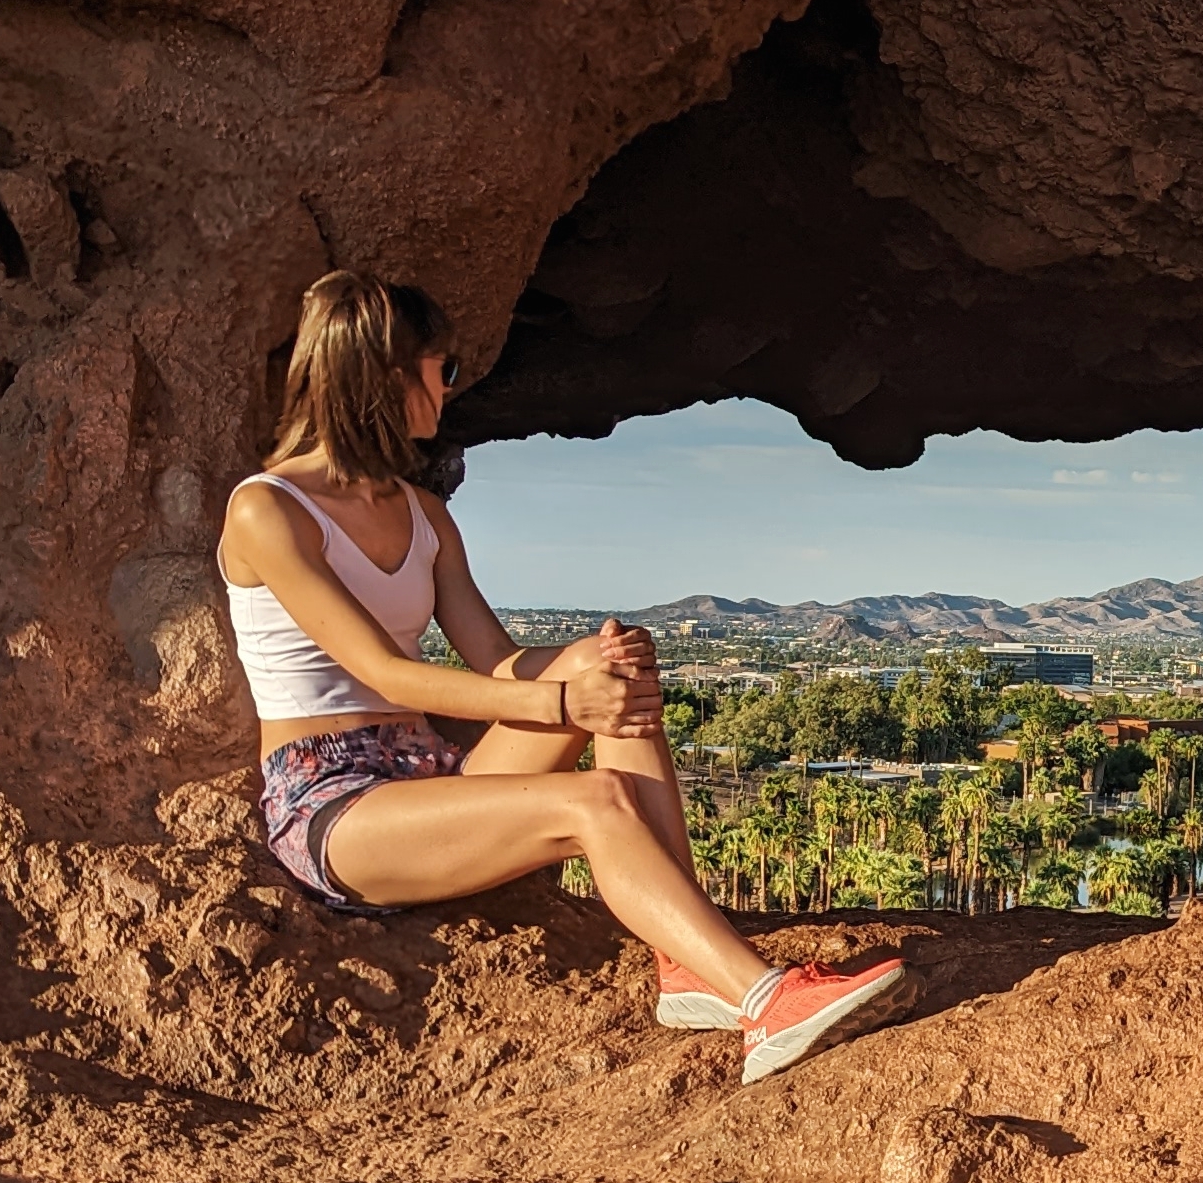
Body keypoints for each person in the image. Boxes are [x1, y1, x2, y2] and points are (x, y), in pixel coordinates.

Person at [217, 270, 910, 1081]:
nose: (449, 389)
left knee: (610, 672)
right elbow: (387, 674)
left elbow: (495, 659)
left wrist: (593, 658)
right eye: (440, 370)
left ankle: (687, 970)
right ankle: (764, 1003)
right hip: (332, 804)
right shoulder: (267, 509)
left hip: (426, 771)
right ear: (387, 375)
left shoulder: (420, 511)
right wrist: (558, 696)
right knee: (595, 798)